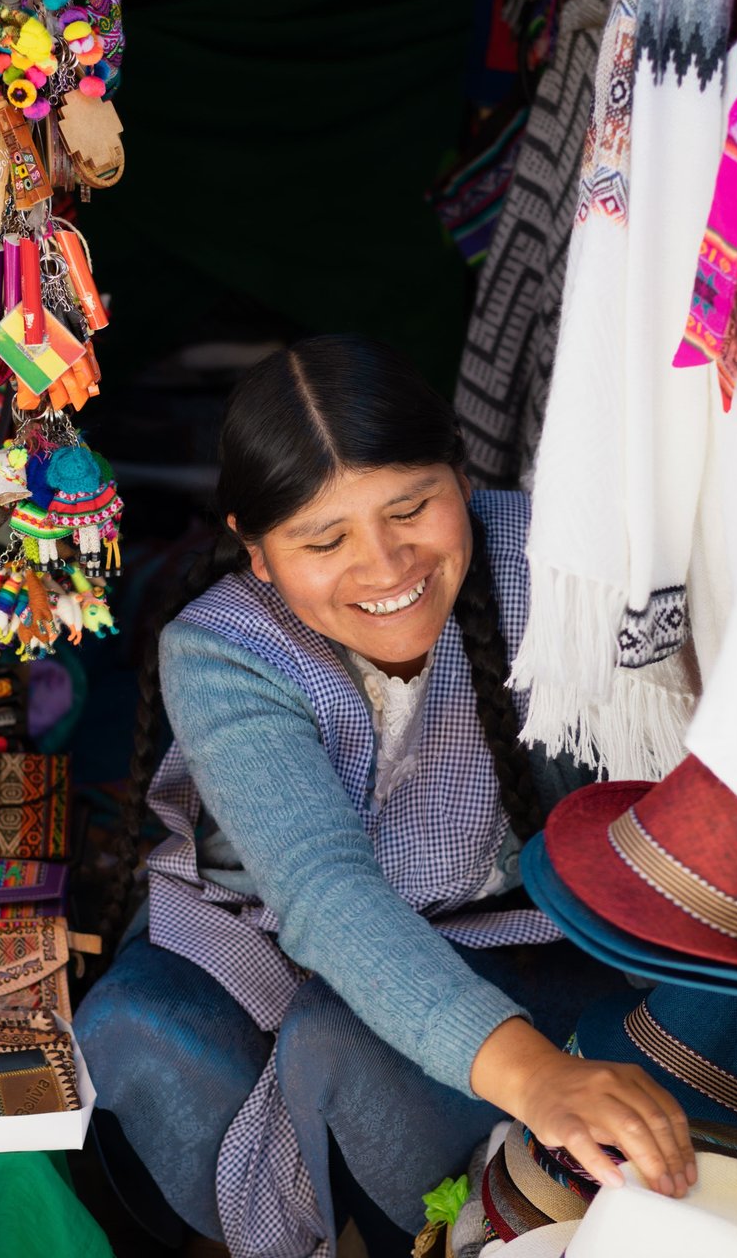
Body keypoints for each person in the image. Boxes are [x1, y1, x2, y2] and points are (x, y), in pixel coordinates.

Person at [76, 335, 697, 1258]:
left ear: (461, 473)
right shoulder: (222, 651)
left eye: (412, 507)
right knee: (151, 1039)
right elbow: (323, 891)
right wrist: (533, 1079)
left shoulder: (557, 567)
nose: (385, 565)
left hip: (522, 918)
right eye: (324, 540)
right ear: (255, 551)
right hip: (256, 924)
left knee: (346, 1049)